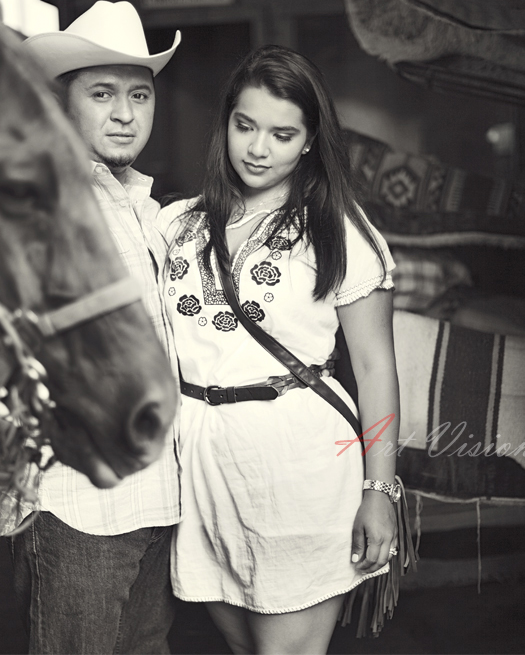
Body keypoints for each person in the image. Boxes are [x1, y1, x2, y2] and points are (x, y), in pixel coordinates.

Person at [151, 45, 401, 654]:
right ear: (227, 125)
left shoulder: (338, 229)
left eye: (282, 134)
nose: (258, 149)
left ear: (311, 140)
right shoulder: (174, 224)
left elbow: (375, 367)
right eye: (245, 126)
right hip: (200, 470)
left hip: (299, 465)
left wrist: (380, 491)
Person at [0, 1, 183, 654]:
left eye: (140, 94)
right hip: (82, 507)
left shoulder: (146, 210)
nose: (124, 112)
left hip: (160, 500)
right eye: (102, 93)